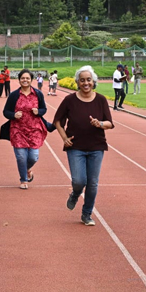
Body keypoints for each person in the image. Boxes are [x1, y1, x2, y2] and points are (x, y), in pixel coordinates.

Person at [53, 65, 113, 227]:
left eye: (89, 80)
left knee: (92, 183)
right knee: (79, 180)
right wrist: (64, 137)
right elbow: (57, 120)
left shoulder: (101, 100)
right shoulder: (70, 100)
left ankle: (87, 214)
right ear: (77, 82)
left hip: (96, 147)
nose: (86, 83)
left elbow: (109, 123)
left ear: (93, 82)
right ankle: (75, 193)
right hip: (76, 147)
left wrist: (99, 123)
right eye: (82, 80)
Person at [2, 69, 49, 190]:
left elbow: (44, 109)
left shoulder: (38, 94)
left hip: (34, 129)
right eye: (23, 78)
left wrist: (39, 112)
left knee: (33, 156)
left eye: (27, 78)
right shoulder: (14, 95)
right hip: (18, 129)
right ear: (19, 80)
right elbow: (6, 111)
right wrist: (13, 115)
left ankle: (27, 169)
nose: (25, 80)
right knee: (21, 157)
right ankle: (23, 179)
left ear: (31, 80)